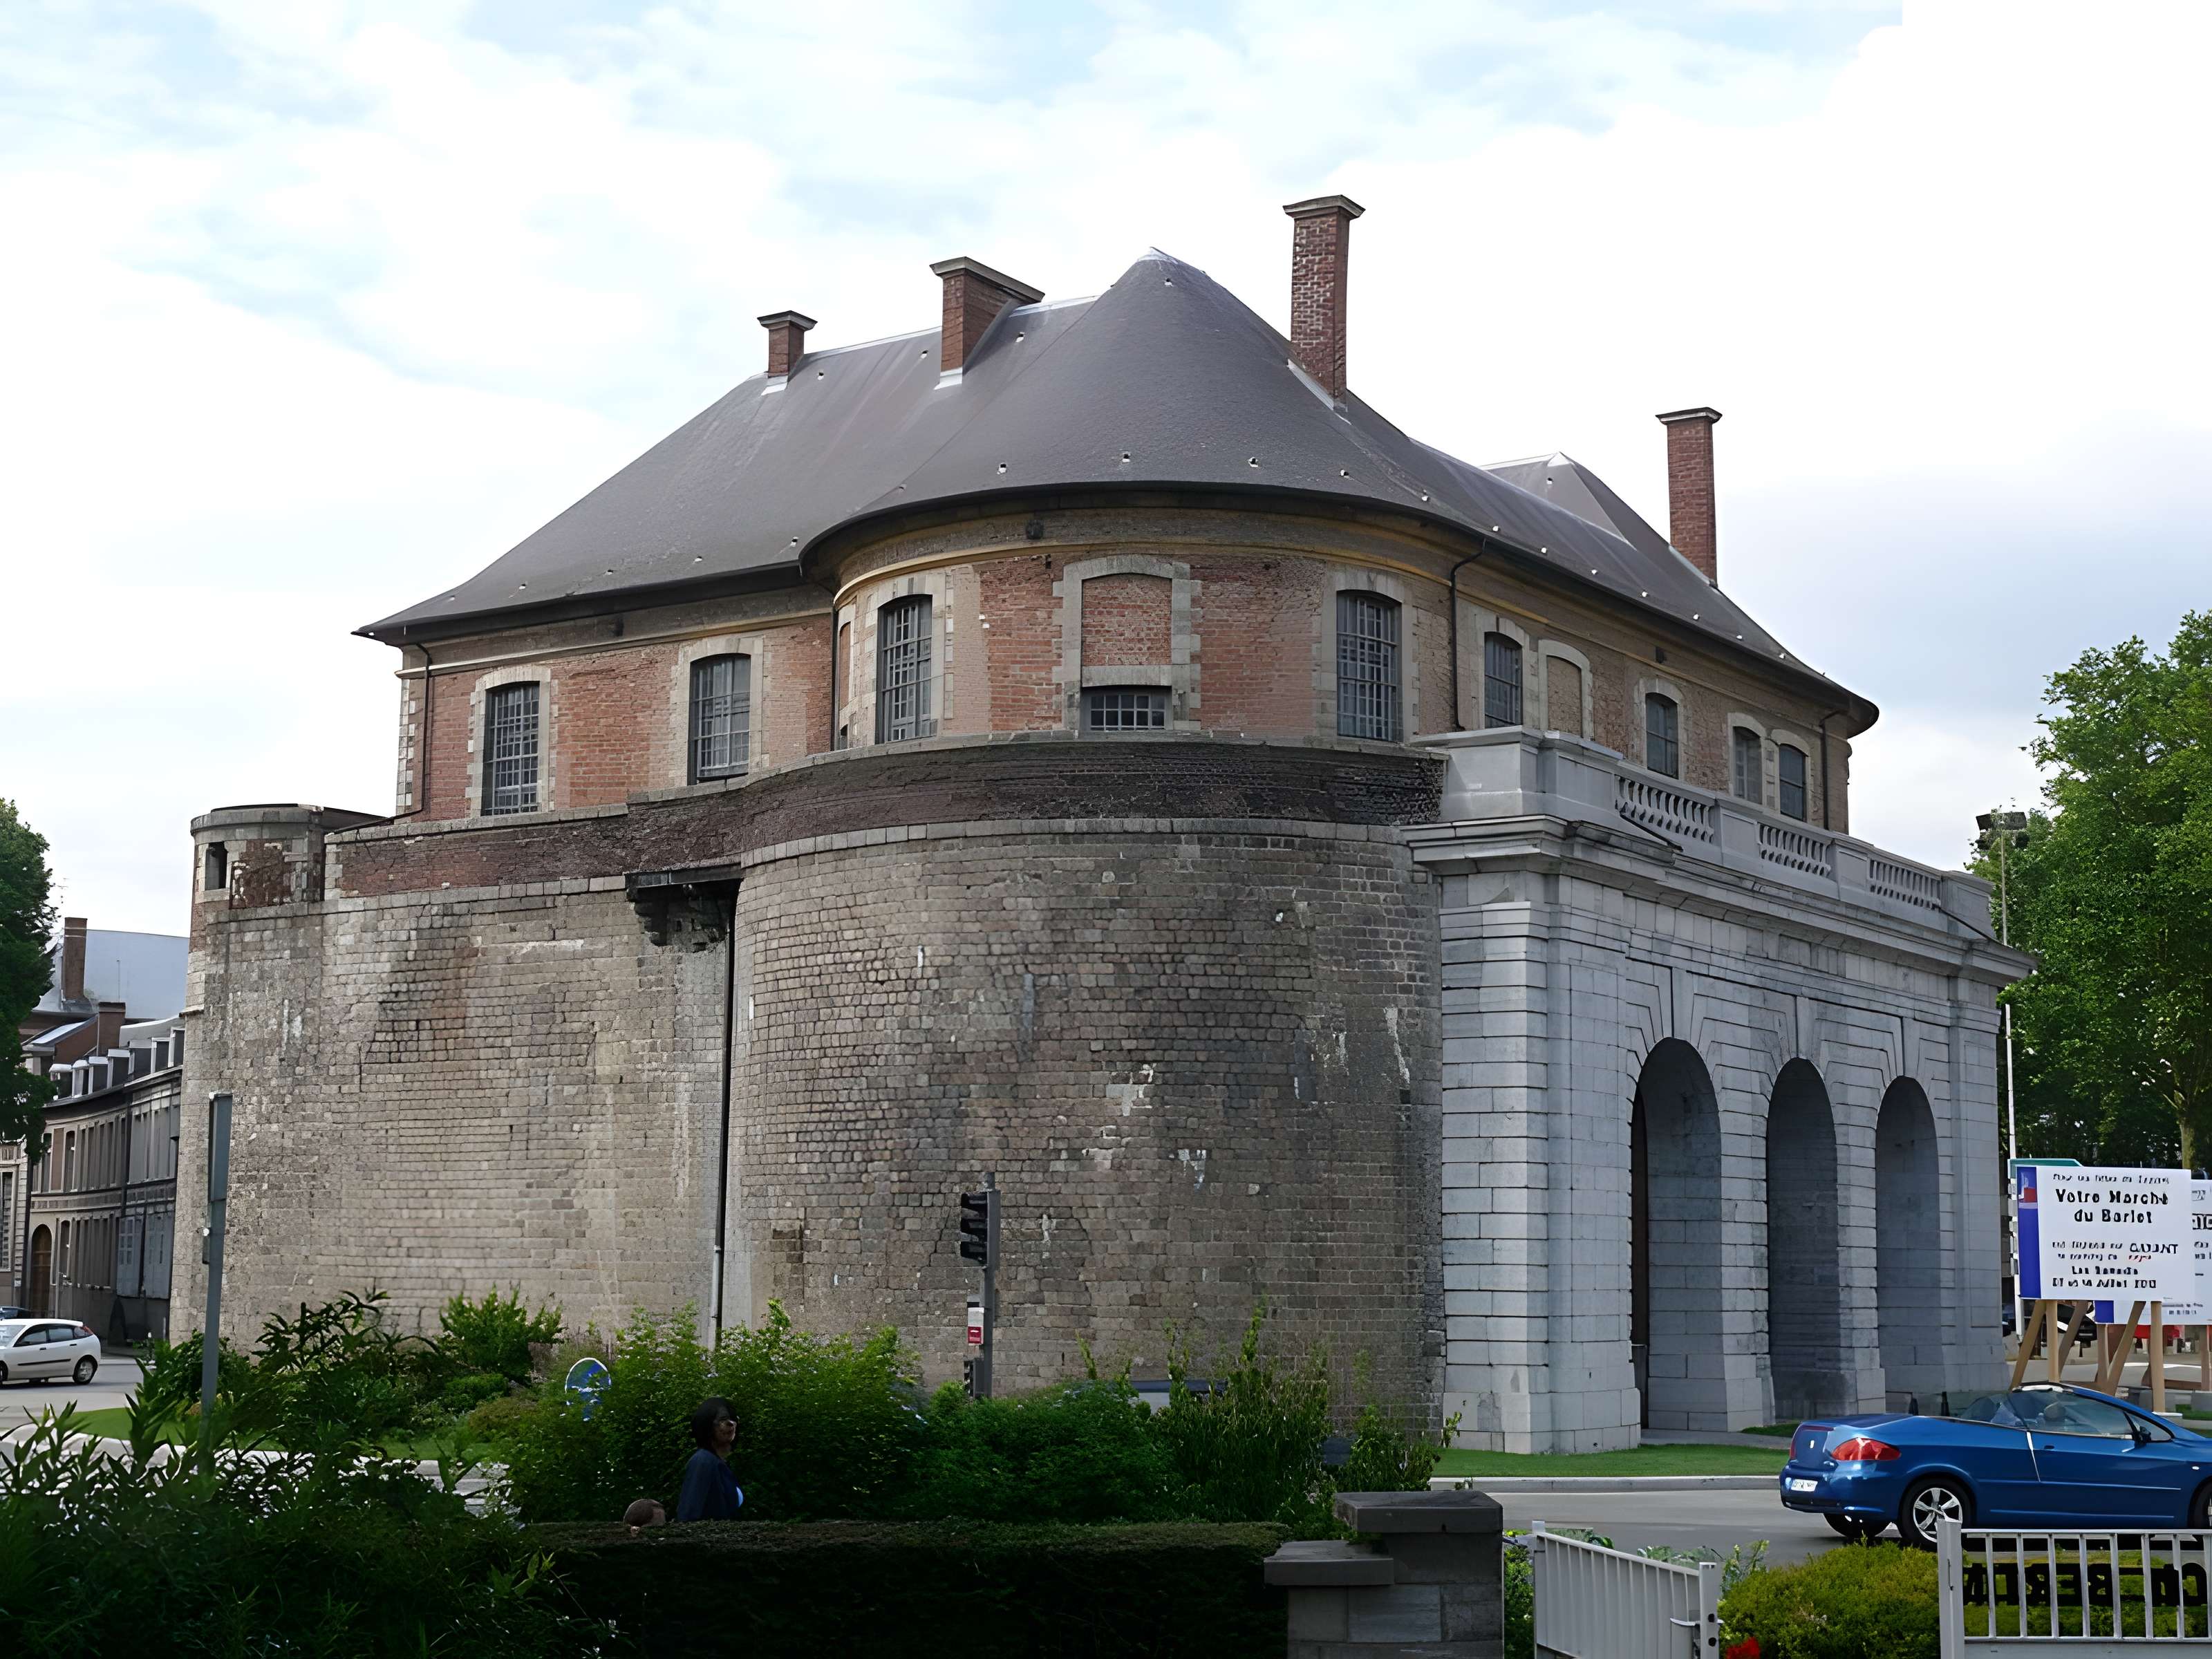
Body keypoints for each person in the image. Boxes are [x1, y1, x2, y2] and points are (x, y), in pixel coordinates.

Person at [675, 1396, 744, 1522]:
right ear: (707, 1425)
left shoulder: (718, 1462)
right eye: (723, 1419)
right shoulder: (703, 1461)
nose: (731, 1424)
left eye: (733, 1419)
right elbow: (688, 1515)